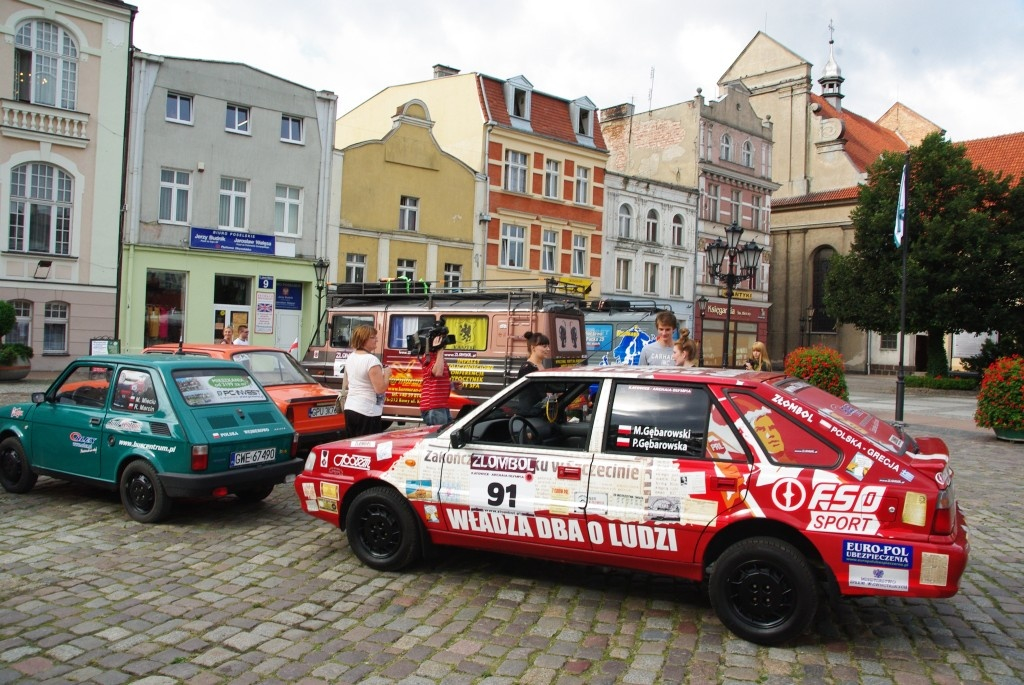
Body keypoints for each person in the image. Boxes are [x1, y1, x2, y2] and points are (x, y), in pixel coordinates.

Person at [343, 324, 391, 437]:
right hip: (367, 410)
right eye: (373, 337)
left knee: (353, 444)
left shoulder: (351, 357)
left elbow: (347, 384)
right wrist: (387, 374)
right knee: (367, 446)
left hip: (350, 407)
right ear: (364, 339)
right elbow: (380, 389)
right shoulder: (371, 360)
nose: (376, 340)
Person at [419, 334, 455, 426]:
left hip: (442, 405)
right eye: (441, 340)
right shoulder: (427, 357)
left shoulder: (439, 357)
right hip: (434, 407)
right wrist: (440, 350)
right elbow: (438, 373)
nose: (444, 343)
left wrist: (452, 385)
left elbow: (436, 381)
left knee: (446, 436)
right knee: (438, 438)